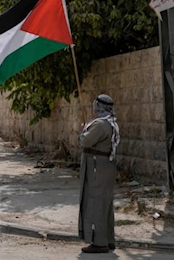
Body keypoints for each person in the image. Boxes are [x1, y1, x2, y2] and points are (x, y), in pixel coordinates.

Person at [78, 94, 120, 253]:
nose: (93, 109)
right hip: (105, 166)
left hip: (96, 166)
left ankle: (99, 242)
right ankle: (108, 239)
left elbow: (85, 141)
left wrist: (83, 132)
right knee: (105, 204)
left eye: (95, 106)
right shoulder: (110, 122)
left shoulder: (101, 124)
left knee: (95, 202)